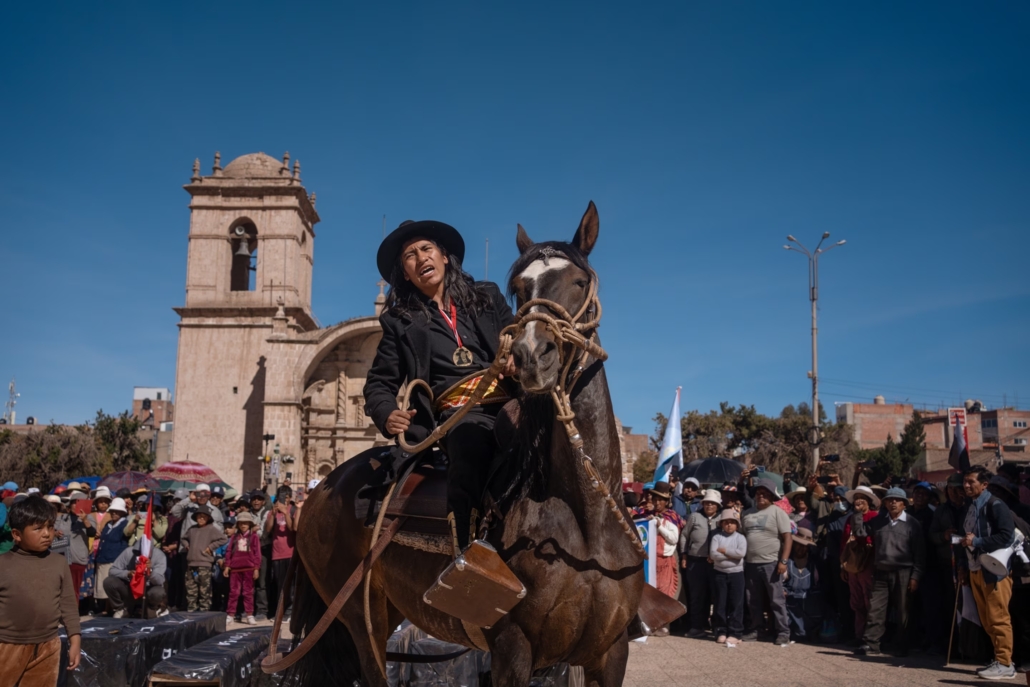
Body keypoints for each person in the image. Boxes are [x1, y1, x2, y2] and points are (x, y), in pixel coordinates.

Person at [363, 219, 516, 554]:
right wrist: (387, 413)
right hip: (457, 416)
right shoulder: (399, 322)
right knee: (470, 444)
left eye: (426, 249)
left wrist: (518, 356)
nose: (420, 258)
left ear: (445, 257)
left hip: (512, 401)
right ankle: (468, 557)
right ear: (405, 273)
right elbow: (379, 382)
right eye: (409, 256)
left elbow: (518, 336)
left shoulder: (487, 297)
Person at [0, 495, 81, 684]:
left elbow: (68, 605)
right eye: (38, 528)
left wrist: (75, 640)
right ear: (16, 534)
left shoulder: (59, 563)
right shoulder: (3, 565)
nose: (47, 534)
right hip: (6, 646)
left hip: (48, 647)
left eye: (50, 527)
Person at [958, 466, 1017, 680]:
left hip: (995, 571)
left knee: (998, 617)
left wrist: (978, 541)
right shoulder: (970, 507)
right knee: (986, 618)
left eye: (971, 482)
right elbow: (967, 537)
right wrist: (964, 566)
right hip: (976, 569)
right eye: (965, 481)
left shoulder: (996, 505)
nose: (966, 485)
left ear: (984, 485)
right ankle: (999, 659)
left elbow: (1006, 537)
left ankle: (1005, 663)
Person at [857, 487, 925, 658]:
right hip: (881, 571)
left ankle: (902, 646)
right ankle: (871, 644)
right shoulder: (878, 521)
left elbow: (920, 553)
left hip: (904, 572)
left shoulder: (912, 524)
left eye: (897, 500)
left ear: (904, 504)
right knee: (875, 609)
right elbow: (859, 532)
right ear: (885, 503)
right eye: (889, 499)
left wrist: (915, 576)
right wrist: (858, 513)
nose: (893, 502)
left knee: (903, 611)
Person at [741, 478, 793, 646]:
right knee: (753, 599)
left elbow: (788, 538)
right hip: (750, 563)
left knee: (776, 599)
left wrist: (783, 561)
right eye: (758, 493)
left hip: (772, 563)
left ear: (772, 497)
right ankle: (757, 629)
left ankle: (783, 631)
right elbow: (742, 536)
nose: (761, 496)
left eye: (765, 494)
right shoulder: (747, 513)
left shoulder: (778, 513)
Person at [928, 473, 967, 654]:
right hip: (947, 563)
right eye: (950, 489)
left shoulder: (971, 507)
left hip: (969, 563)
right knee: (949, 604)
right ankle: (952, 644)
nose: (954, 492)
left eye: (958, 488)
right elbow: (932, 535)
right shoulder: (941, 510)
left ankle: (970, 645)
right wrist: (943, 536)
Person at [679, 489, 721, 638]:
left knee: (716, 595)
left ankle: (717, 627)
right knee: (696, 595)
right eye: (707, 503)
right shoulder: (695, 517)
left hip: (716, 563)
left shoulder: (722, 518)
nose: (709, 505)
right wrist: (684, 555)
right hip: (695, 561)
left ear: (717, 505)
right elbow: (684, 536)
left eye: (713, 503)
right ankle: (696, 626)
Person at [841, 485, 880, 643]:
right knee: (856, 600)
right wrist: (842, 565)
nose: (859, 500)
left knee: (869, 598)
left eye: (862, 498)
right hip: (852, 562)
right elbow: (844, 542)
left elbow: (868, 537)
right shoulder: (850, 518)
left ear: (869, 501)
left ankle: (870, 636)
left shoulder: (874, 517)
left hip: (868, 560)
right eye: (856, 497)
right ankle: (859, 634)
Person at [103, 536, 168, 618]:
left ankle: (152, 608)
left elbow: (159, 581)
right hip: (131, 587)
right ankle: (121, 609)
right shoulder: (128, 552)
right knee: (109, 582)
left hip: (149, 589)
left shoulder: (160, 555)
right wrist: (127, 573)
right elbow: (112, 571)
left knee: (158, 592)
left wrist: (149, 571)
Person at [709, 509, 747, 648]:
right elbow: (713, 555)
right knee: (720, 603)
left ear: (737, 525)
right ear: (721, 524)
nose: (729, 525)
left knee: (736, 603)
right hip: (719, 573)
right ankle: (721, 631)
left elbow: (741, 553)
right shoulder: (716, 537)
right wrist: (732, 555)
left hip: (737, 574)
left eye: (732, 523)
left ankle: (735, 632)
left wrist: (724, 551)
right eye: (726, 523)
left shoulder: (741, 538)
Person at [182, 504, 228, 612]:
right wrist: (186, 545)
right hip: (191, 565)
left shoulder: (211, 529)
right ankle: (191, 612)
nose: (201, 519)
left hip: (204, 565)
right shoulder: (192, 529)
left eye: (204, 517)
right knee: (191, 591)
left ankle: (204, 614)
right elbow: (183, 538)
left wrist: (211, 547)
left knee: (204, 592)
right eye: (199, 516)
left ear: (208, 518)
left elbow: (224, 539)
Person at [264, 486, 297, 618]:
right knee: (279, 583)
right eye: (281, 497)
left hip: (290, 552)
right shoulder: (272, 512)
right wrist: (273, 513)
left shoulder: (293, 510)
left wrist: (285, 512)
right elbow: (268, 529)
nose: (283, 500)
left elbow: (292, 528)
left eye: (286, 497)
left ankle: (289, 611)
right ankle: (280, 610)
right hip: (277, 553)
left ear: (289, 498)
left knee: (290, 584)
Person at [94, 497, 131, 614]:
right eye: (112, 511)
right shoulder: (108, 524)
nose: (114, 513)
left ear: (122, 512)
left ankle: (111, 609)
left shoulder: (124, 524)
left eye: (117, 511)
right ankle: (105, 609)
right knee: (101, 587)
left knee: (109, 585)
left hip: (113, 559)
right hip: (102, 558)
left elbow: (123, 542)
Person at [224, 512, 261, 625]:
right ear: (238, 524)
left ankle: (249, 615)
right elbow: (229, 551)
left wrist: (256, 568)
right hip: (235, 569)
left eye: (246, 523)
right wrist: (227, 566)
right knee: (234, 592)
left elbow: (257, 553)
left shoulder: (254, 536)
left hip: (249, 569)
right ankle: (230, 614)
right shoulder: (234, 537)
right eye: (241, 523)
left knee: (248, 593)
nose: (243, 525)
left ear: (250, 524)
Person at [784, 527, 820, 642]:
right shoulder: (787, 563)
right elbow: (781, 583)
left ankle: (806, 631)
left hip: (808, 599)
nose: (801, 548)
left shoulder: (814, 564)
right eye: (798, 544)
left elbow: (818, 585)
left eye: (804, 546)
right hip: (791, 598)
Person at [249, 490, 272, 619]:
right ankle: (248, 610)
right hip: (248, 551)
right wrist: (252, 530)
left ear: (263, 501)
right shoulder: (247, 514)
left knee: (261, 582)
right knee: (248, 581)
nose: (256, 501)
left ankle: (262, 610)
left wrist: (250, 531)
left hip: (263, 549)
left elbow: (263, 533)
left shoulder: (267, 513)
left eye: (259, 499)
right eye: (254, 499)